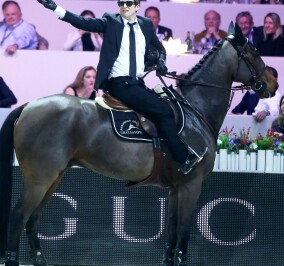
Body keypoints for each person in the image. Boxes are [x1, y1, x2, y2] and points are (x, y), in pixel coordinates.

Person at [37, 0, 207, 174]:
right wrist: (56, 9)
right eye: (122, 2)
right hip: (119, 84)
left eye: (129, 3)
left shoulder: (146, 25)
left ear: (137, 6)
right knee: (163, 112)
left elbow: (157, 46)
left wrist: (161, 60)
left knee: (163, 106)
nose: (124, 5)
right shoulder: (111, 21)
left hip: (137, 84)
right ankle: (183, 159)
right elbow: (83, 22)